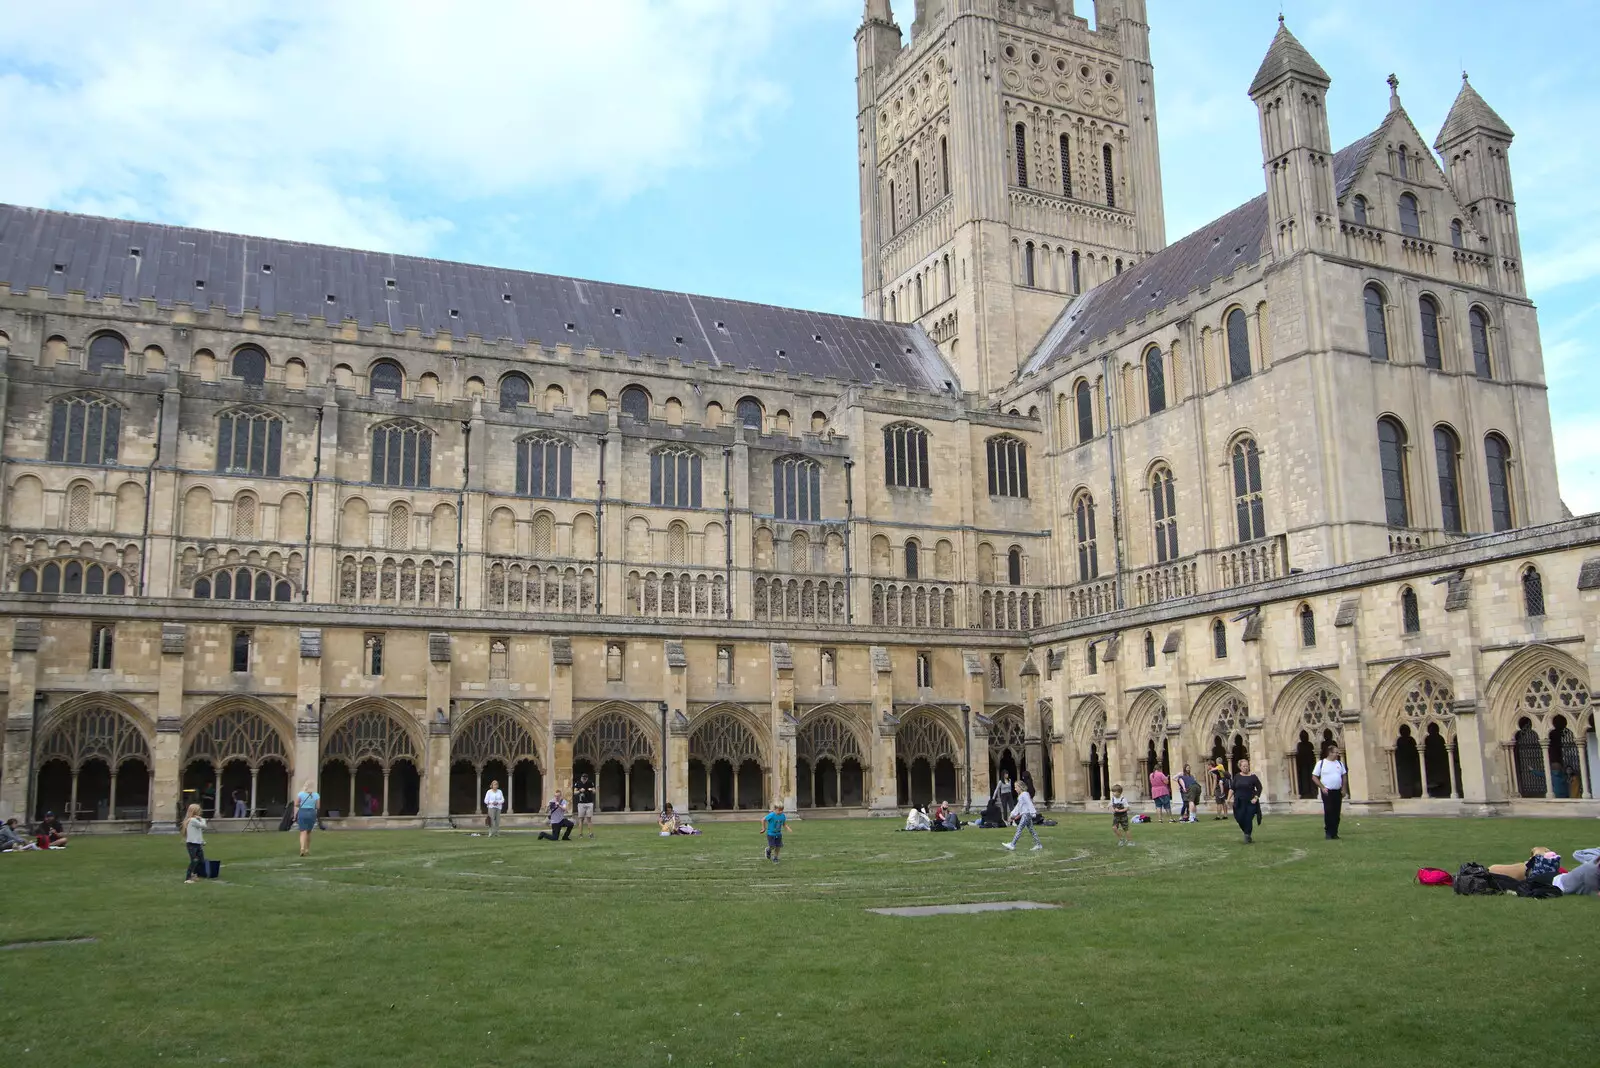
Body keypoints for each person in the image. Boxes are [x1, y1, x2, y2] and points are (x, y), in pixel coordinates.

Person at [1312, 743, 1348, 840]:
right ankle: (1328, 832)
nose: (1338, 754)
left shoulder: (1339, 764)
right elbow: (1314, 777)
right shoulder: (1321, 763)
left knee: (1336, 812)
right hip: (1327, 791)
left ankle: (1334, 833)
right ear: (1330, 753)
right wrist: (1322, 787)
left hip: (1337, 791)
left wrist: (1344, 789)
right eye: (1336, 752)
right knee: (1328, 811)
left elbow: (1344, 776)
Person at [1226, 759, 1263, 844]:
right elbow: (1232, 788)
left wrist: (1256, 798)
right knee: (1239, 818)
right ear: (1240, 767)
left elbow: (1259, 788)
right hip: (1239, 802)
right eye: (1244, 766)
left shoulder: (1253, 777)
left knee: (1248, 819)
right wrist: (1228, 799)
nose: (1246, 768)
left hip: (1250, 802)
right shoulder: (1237, 776)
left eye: (1247, 766)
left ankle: (1247, 835)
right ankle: (1246, 832)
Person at [1001, 782, 1041, 852]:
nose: (1015, 789)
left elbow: (1029, 803)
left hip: (1026, 814)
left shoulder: (1024, 794)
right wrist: (1012, 815)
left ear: (1020, 787)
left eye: (1016, 787)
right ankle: (1038, 845)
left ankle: (1012, 845)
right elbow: (1018, 807)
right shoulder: (1022, 795)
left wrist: (1033, 812)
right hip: (1026, 814)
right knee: (1031, 830)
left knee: (1019, 828)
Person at [182, 803, 208, 883]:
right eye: (199, 810)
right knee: (194, 860)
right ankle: (188, 878)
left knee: (201, 860)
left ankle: (194, 875)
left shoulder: (195, 820)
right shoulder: (193, 820)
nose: (200, 812)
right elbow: (203, 826)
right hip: (192, 844)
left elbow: (198, 832)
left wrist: (202, 841)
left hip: (197, 843)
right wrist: (202, 819)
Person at [294, 781, 320, 857]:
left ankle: (302, 848)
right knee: (308, 832)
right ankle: (307, 849)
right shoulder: (316, 795)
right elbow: (318, 807)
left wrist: (302, 805)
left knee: (302, 831)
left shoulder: (301, 794)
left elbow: (296, 804)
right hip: (312, 813)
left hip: (302, 812)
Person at [574, 773, 597, 839]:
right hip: (581, 803)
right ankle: (580, 834)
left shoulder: (590, 783)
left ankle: (591, 834)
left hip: (589, 803)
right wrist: (579, 791)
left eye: (585, 779)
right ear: (581, 778)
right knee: (581, 819)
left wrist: (591, 790)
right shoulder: (578, 783)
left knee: (589, 819)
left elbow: (594, 791)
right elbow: (574, 792)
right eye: (583, 779)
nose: (584, 780)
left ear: (587, 778)